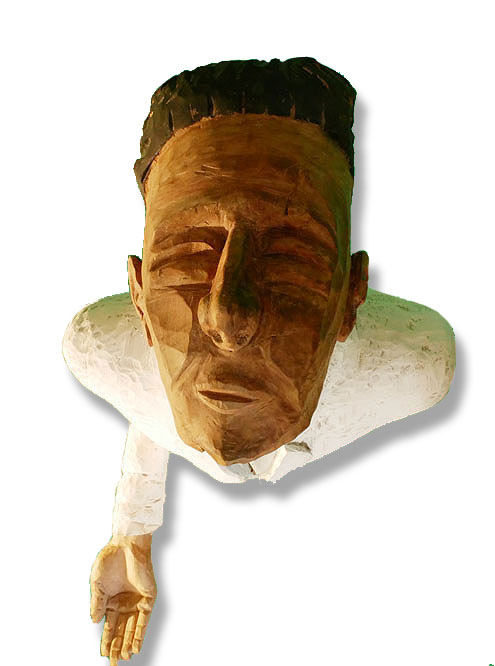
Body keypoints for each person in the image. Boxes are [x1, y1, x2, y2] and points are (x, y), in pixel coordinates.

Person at [62, 57, 455, 664]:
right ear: (139, 297)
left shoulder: (412, 368)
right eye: (189, 255)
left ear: (351, 296)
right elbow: (145, 393)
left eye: (291, 257)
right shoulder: (100, 351)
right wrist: (131, 532)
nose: (228, 315)